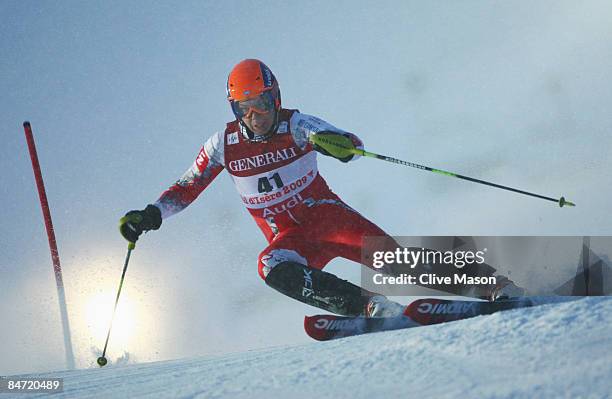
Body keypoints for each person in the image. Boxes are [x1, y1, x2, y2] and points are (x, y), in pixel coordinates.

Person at [119, 59, 522, 318]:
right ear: (234, 110)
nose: (255, 115)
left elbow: (337, 138)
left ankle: (497, 286)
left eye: (261, 102)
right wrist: (151, 214)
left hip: (328, 219)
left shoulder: (294, 124)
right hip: (291, 238)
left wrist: (342, 146)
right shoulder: (223, 144)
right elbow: (188, 185)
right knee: (268, 266)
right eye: (244, 108)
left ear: (275, 96)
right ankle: (368, 306)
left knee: (395, 263)